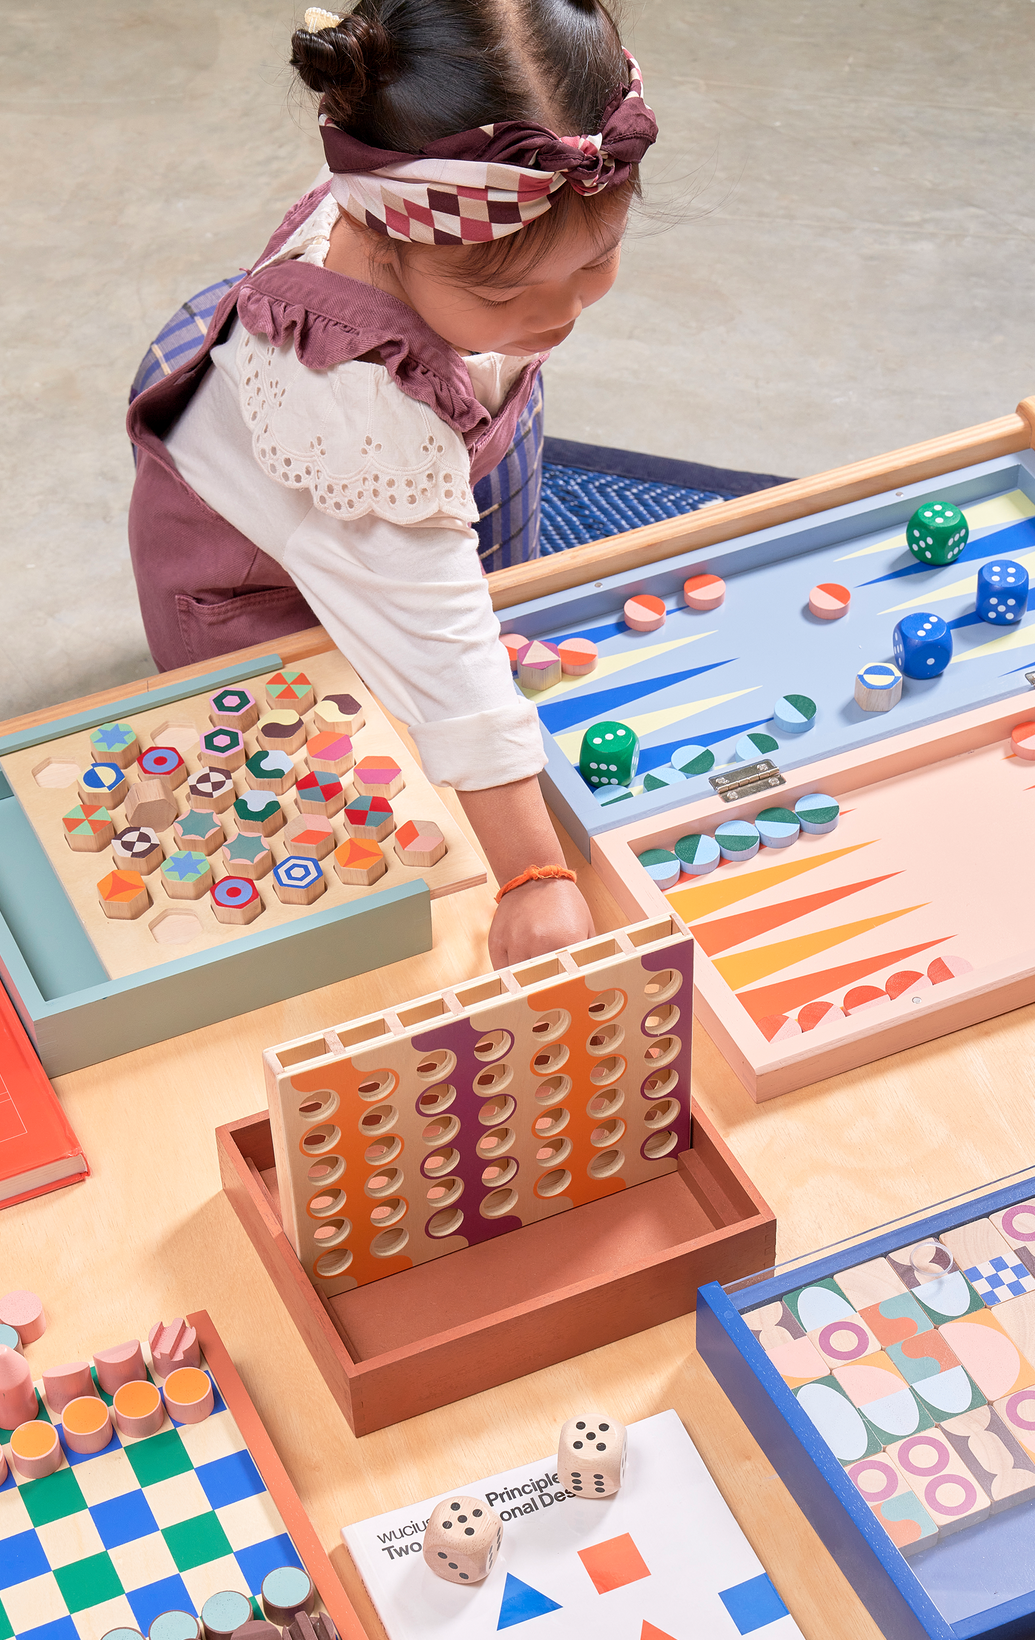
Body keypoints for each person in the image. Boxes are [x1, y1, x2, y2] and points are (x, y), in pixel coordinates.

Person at [126, 0, 658, 964]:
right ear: (383, 241)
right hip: (252, 580)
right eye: (505, 296)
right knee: (334, 773)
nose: (562, 315)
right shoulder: (351, 401)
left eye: (596, 261)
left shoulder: (413, 173)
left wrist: (494, 314)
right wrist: (533, 875)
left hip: (421, 463)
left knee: (469, 582)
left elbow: (441, 585)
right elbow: (437, 644)